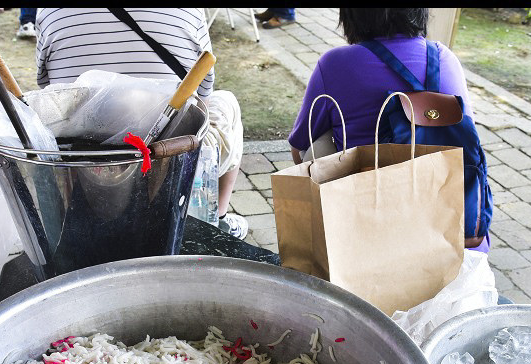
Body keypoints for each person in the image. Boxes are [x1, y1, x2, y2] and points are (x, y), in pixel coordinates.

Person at [35, 8, 250, 240]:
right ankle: (219, 218)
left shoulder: (50, 11)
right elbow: (202, 102)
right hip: (172, 158)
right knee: (226, 101)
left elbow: (52, 95)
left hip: (77, 163)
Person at [287, 8, 492, 251]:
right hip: (457, 235)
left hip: (378, 235)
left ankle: (325, 244)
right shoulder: (445, 57)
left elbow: (299, 146)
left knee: (317, 145)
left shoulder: (335, 64)